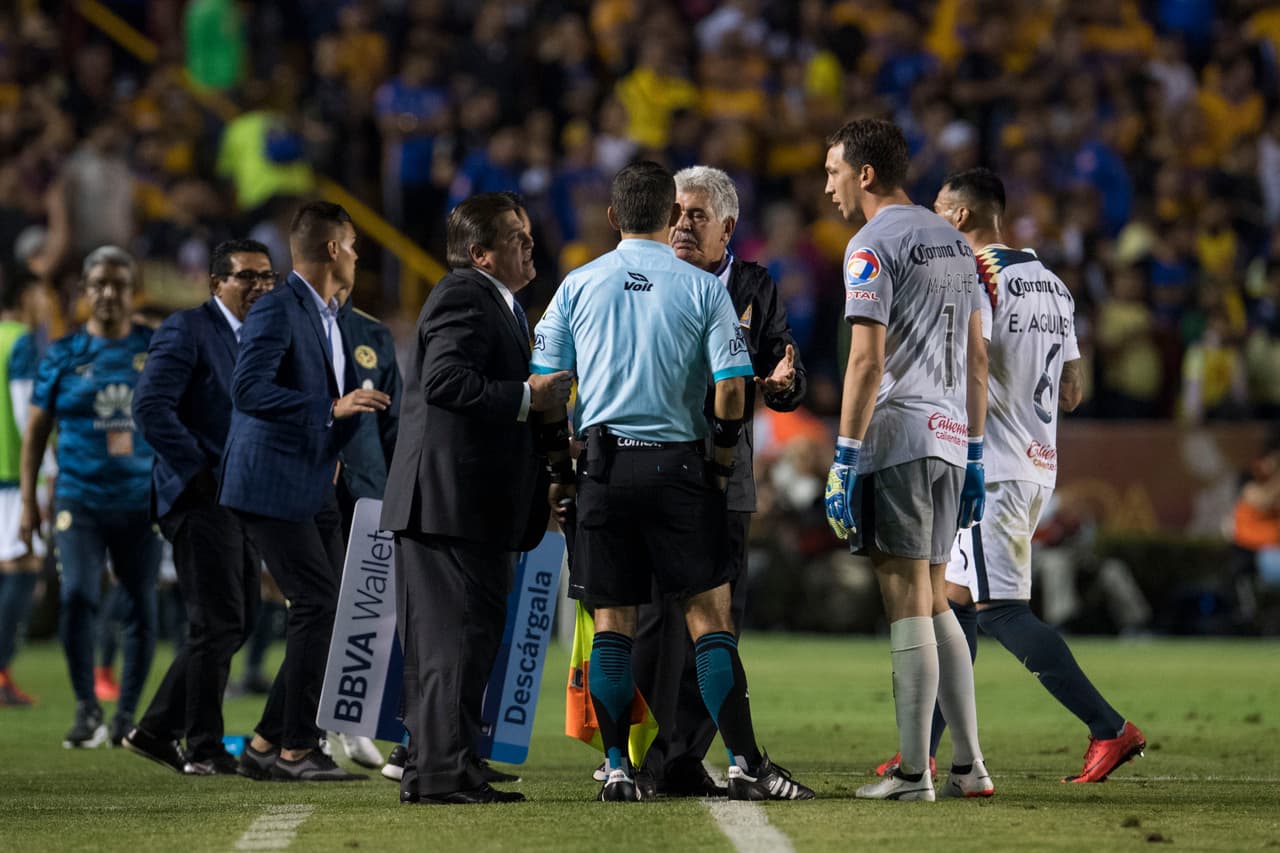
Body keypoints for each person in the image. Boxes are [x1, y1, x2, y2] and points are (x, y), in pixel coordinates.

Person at [533, 160, 814, 803]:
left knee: (612, 626)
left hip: (602, 469)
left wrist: (557, 468)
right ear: (666, 218)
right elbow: (733, 390)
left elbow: (546, 386)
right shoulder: (701, 289)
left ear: (611, 217)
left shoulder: (577, 283)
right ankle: (745, 761)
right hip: (680, 469)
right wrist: (718, 466)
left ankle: (617, 769)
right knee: (710, 622)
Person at [930, 167, 1146, 783]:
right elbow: (1073, 389)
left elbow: (969, 362)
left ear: (963, 217)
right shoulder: (1053, 283)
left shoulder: (978, 276)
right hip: (1037, 462)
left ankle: (1108, 727)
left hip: (989, 468)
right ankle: (921, 749)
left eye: (939, 211)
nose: (933, 221)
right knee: (955, 606)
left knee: (1000, 613)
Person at [618, 164, 807, 797]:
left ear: (728, 226)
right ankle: (632, 756)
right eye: (675, 212)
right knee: (651, 619)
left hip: (727, 479)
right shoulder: (647, 276)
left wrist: (785, 385)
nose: (680, 225)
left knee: (722, 623)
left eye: (696, 215)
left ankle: (683, 757)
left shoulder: (755, 286)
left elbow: (782, 359)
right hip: (657, 464)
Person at [381, 192, 569, 805]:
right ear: (480, 254)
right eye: (517, 236)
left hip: (468, 505)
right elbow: (443, 380)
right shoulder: (464, 292)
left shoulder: (500, 302)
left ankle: (452, 762)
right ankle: (439, 774)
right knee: (453, 640)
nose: (529, 244)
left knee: (465, 638)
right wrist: (526, 396)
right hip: (449, 504)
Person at [822, 119, 990, 801]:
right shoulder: (956, 241)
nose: (827, 185)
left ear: (865, 174)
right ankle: (968, 765)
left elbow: (866, 360)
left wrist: (843, 456)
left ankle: (915, 771)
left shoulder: (871, 244)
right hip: (951, 438)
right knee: (934, 600)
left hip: (901, 438)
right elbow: (979, 358)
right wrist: (975, 453)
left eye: (833, 170)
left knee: (905, 603)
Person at [220, 202, 389, 782]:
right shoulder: (277, 309)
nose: (360, 256)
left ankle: (266, 742)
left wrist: (334, 441)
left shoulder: (327, 314)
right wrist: (328, 409)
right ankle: (298, 749)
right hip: (270, 483)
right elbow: (247, 390)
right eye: (355, 245)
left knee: (331, 610)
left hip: (314, 479)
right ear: (334, 250)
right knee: (318, 605)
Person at [123, 239, 277, 775]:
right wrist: (201, 469)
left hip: (239, 495)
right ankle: (204, 747)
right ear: (216, 284)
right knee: (216, 621)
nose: (259, 286)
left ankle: (156, 729)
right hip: (197, 495)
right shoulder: (187, 330)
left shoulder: (260, 336)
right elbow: (150, 407)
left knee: (240, 619)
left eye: (266, 277)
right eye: (246, 277)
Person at [19, 246, 164, 748]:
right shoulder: (61, 354)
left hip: (140, 502)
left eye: (118, 284)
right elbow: (36, 432)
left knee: (141, 607)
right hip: (78, 499)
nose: (107, 293)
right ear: (84, 291)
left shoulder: (155, 348)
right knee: (79, 595)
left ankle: (125, 716)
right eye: (98, 283)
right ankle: (86, 709)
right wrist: (26, 501)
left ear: (133, 290)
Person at [323, 285, 403, 771]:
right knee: (319, 608)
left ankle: (351, 722)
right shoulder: (292, 323)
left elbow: (392, 421)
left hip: (369, 488)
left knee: (370, 609)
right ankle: (314, 729)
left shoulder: (373, 332)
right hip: (315, 486)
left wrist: (397, 483)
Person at [0, 270, 40, 707]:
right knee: (22, 567)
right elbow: (27, 415)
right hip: (12, 476)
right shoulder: (21, 341)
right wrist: (44, 475)